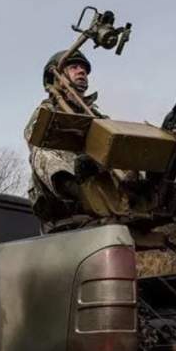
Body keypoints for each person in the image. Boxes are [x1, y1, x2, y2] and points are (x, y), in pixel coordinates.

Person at [24, 50, 133, 233]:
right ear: (57, 77)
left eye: (83, 69)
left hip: (104, 193)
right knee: (42, 146)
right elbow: (33, 141)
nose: (81, 71)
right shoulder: (47, 112)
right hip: (63, 203)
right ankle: (73, 187)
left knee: (126, 148)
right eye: (74, 67)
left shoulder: (98, 117)